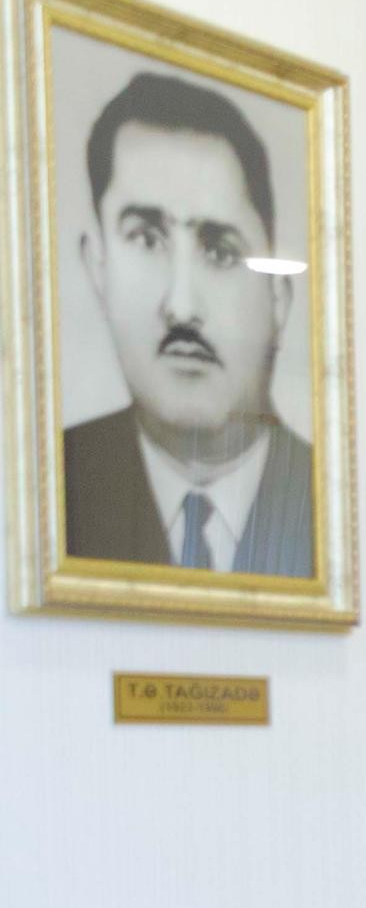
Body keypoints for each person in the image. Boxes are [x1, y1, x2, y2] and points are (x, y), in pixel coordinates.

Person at [60, 69, 316, 579]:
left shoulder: (327, 496)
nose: (180, 307)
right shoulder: (52, 483)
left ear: (278, 296)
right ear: (98, 268)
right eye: (146, 240)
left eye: (219, 251)